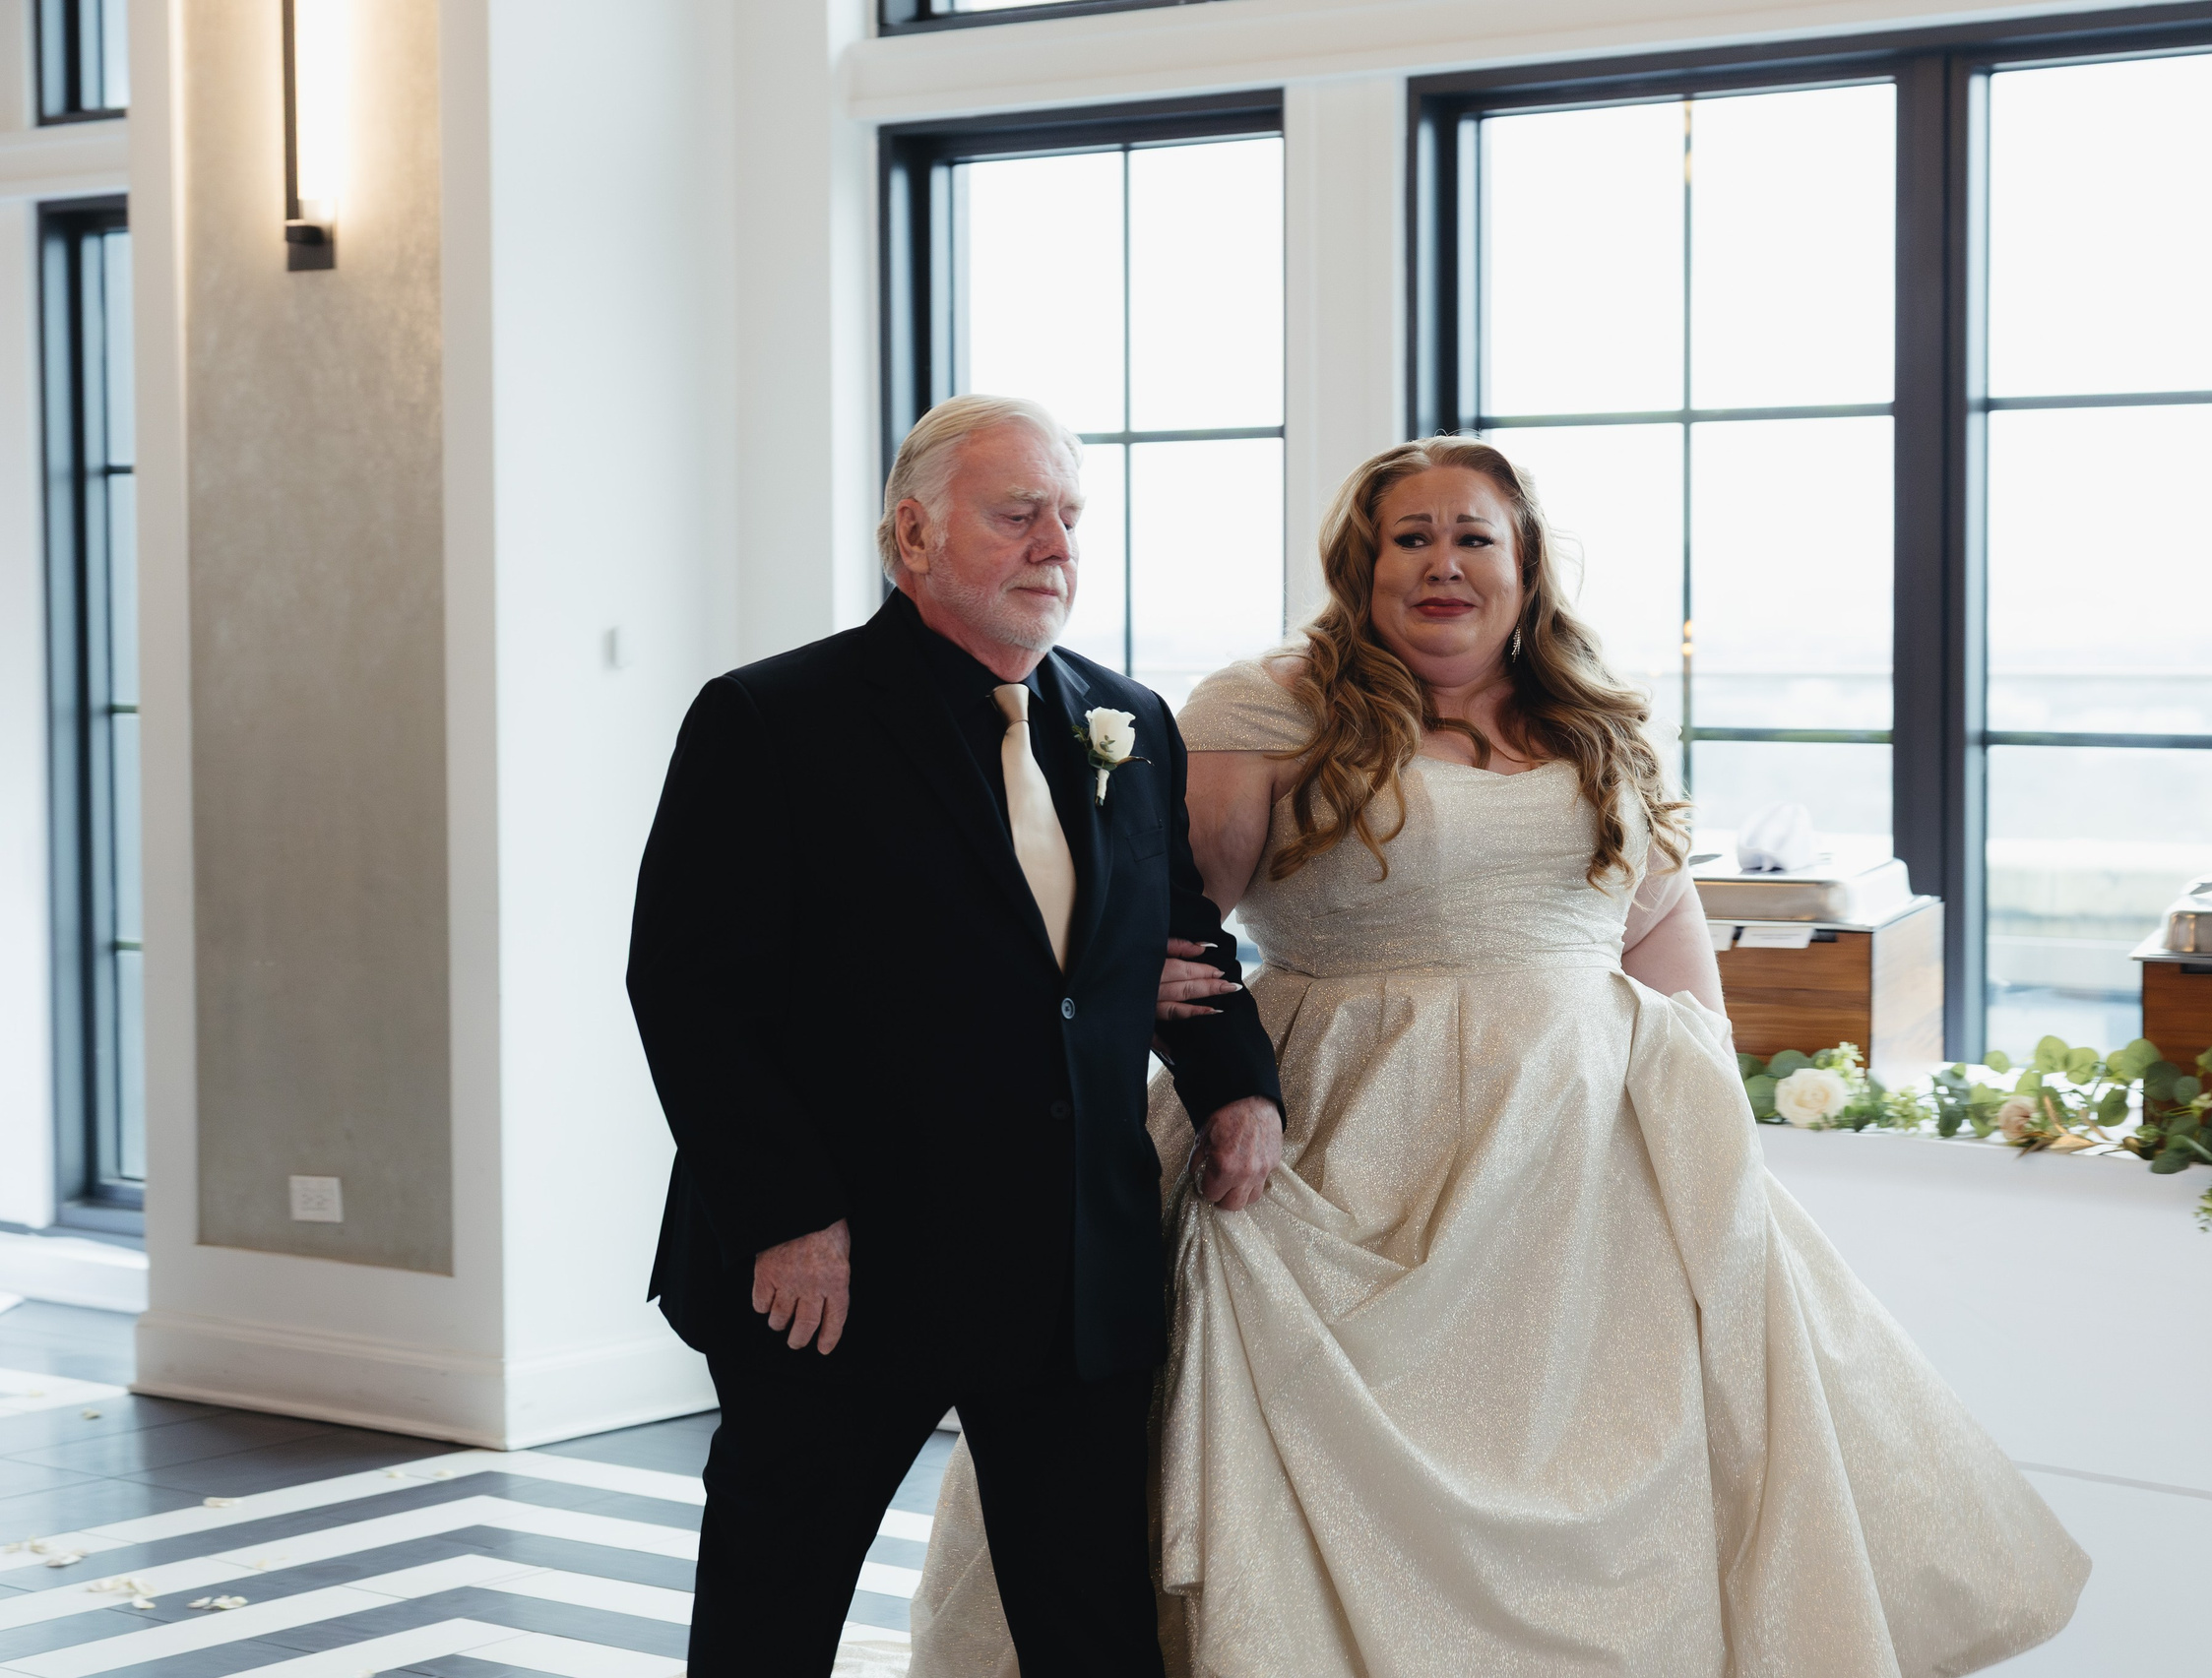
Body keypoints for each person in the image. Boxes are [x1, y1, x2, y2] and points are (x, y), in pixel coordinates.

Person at [909, 436, 2089, 1676]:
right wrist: (1130, 987)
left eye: (1472, 536)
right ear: (1359, 567)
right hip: (1345, 1142)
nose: (1442, 564)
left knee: (1652, 1481)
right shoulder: (1270, 705)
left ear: (1524, 562)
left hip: (1595, 1167)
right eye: (1407, 539)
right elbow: (1170, 911)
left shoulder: (1593, 719)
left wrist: (1714, 1130)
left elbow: (1656, 919)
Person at [626, 394, 1285, 1677]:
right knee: (774, 1610)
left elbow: (1176, 944)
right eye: (1018, 512)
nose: (1056, 543)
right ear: (912, 536)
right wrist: (784, 1213)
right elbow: (689, 988)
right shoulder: (771, 720)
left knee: (1092, 1624)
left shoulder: (1130, 724)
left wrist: (1236, 1089)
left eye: (1071, 518)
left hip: (1070, 1270)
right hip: (840, 1270)